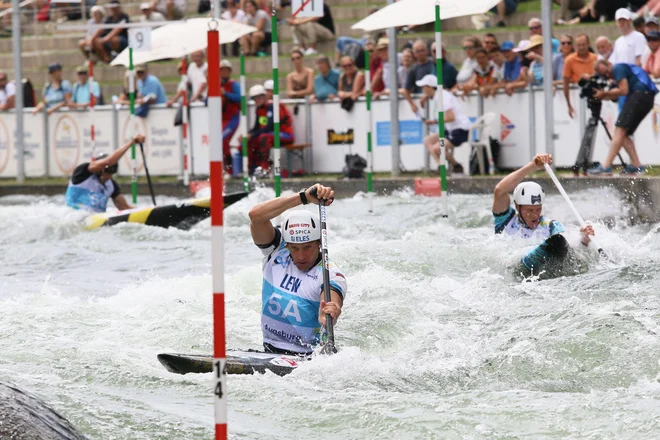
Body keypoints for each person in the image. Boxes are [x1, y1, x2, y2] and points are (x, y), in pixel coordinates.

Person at [248, 184, 346, 355]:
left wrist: (331, 311)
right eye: (294, 248)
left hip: (307, 357)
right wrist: (304, 197)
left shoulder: (330, 274)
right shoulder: (277, 251)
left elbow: (332, 301)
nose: (301, 256)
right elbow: (256, 216)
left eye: (307, 247)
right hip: (269, 350)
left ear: (319, 243)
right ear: (287, 245)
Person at [493, 154, 594, 274]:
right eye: (530, 210)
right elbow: (499, 191)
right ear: (517, 206)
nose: (535, 215)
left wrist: (584, 240)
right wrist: (532, 166)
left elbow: (570, 251)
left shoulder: (552, 227)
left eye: (538, 209)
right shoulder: (505, 221)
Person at [588, 60, 659, 175]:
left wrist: (604, 94)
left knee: (619, 130)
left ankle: (606, 166)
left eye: (607, 72)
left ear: (609, 64)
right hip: (645, 98)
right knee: (623, 135)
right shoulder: (621, 73)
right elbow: (618, 94)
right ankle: (636, 165)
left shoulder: (617, 68)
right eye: (604, 75)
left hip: (640, 96)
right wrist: (603, 95)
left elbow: (623, 90)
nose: (608, 75)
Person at [65, 134, 146, 213]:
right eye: (109, 171)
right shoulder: (82, 172)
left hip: (95, 221)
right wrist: (131, 142)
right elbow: (107, 162)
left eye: (113, 172)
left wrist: (146, 211)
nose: (110, 176)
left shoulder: (111, 185)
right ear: (100, 170)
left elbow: (124, 207)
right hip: (74, 217)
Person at [417, 74, 471, 174]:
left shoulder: (443, 97)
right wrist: (426, 97)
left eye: (423, 88)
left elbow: (451, 117)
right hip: (451, 129)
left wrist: (434, 121)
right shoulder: (438, 95)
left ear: (429, 87)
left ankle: (452, 167)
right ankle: (442, 167)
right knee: (427, 140)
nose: (422, 91)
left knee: (437, 148)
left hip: (460, 130)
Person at [246, 84, 294, 175]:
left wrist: (252, 134)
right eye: (255, 98)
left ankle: (265, 168)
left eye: (259, 97)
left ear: (264, 97)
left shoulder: (273, 106)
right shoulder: (259, 109)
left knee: (263, 137)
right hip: (270, 135)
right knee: (249, 140)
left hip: (285, 134)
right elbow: (256, 127)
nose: (257, 100)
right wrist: (248, 134)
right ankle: (252, 169)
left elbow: (270, 127)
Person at [563, 33, 597, 118]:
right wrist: (569, 105)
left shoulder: (596, 58)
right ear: (575, 45)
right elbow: (565, 83)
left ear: (589, 44)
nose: (581, 47)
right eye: (578, 45)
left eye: (583, 45)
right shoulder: (569, 60)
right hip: (578, 98)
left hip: (596, 97)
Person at [219, 59, 241, 172]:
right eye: (222, 70)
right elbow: (207, 101)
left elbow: (240, 98)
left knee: (222, 140)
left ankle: (230, 169)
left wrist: (225, 94)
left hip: (233, 118)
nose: (224, 73)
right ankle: (229, 170)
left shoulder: (233, 84)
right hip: (221, 120)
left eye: (226, 70)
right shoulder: (216, 85)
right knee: (223, 144)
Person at [403, 40, 435, 114]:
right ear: (414, 54)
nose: (420, 53)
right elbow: (406, 89)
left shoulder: (434, 65)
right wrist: (412, 105)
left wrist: (427, 94)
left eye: (422, 51)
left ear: (427, 51)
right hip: (420, 105)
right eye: (417, 51)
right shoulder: (413, 69)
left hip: (434, 102)